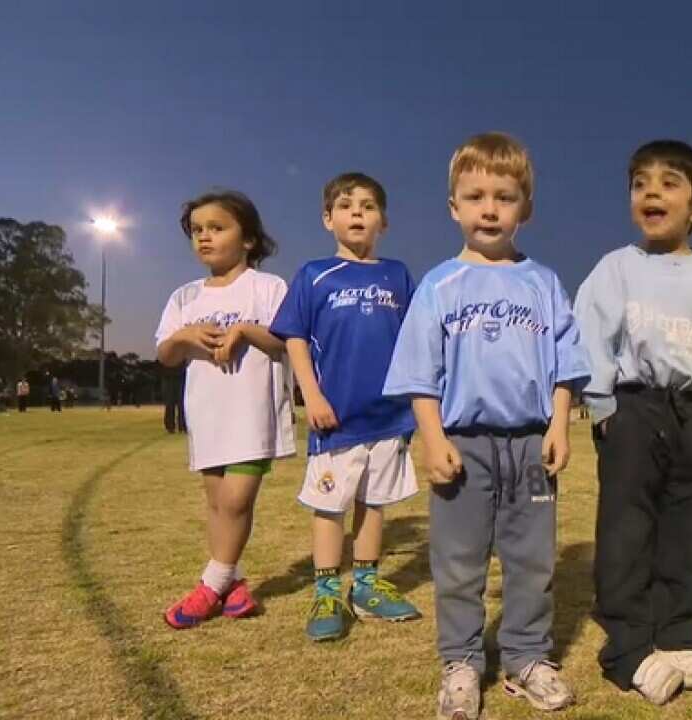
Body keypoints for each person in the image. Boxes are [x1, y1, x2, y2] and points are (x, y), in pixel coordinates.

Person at [384, 132, 589, 720]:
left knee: (532, 559)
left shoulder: (543, 283)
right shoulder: (439, 285)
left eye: (504, 196)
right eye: (475, 196)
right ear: (454, 207)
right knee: (458, 560)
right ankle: (462, 661)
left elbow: (565, 365)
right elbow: (420, 375)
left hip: (530, 444)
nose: (490, 208)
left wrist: (560, 427)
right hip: (462, 446)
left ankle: (527, 656)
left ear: (526, 207)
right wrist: (432, 439)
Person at [575, 140, 692, 705]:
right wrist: (603, 410)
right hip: (635, 408)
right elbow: (592, 339)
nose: (651, 191)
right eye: (640, 183)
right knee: (627, 528)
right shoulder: (615, 268)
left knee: (689, 530)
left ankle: (675, 633)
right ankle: (627, 645)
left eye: (669, 182)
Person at [270, 172, 421, 642]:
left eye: (368, 205)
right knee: (331, 505)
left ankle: (367, 585)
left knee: (375, 503)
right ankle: (328, 589)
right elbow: (294, 337)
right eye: (346, 205)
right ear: (327, 218)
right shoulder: (314, 274)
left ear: (384, 221)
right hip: (335, 414)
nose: (357, 212)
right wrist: (310, 395)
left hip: (389, 414)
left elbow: (415, 340)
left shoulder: (396, 274)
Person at [155, 189, 297, 629]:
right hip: (208, 413)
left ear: (249, 239)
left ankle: (210, 585)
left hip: (252, 415)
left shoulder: (268, 287)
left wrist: (245, 330)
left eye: (217, 228)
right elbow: (165, 354)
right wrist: (184, 337)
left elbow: (284, 340)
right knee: (217, 503)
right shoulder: (185, 297)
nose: (204, 237)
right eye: (197, 230)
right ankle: (233, 584)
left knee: (236, 501)